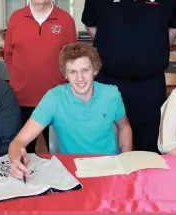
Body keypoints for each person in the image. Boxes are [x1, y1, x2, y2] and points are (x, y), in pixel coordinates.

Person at [81, 0, 176, 153]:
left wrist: (155, 45)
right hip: (110, 83)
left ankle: (145, 187)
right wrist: (113, 45)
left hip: (150, 84)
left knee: (149, 145)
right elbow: (91, 25)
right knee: (111, 142)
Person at [9, 43, 133, 179]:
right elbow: (18, 142)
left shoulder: (111, 94)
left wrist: (125, 161)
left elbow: (124, 127)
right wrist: (16, 161)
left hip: (109, 169)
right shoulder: (54, 98)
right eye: (72, 71)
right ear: (65, 74)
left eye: (85, 70)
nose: (80, 78)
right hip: (71, 172)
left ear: (95, 70)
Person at [5, 0, 77, 153]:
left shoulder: (65, 20)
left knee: (59, 152)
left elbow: (71, 58)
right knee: (23, 152)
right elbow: (8, 54)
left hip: (57, 98)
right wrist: (20, 79)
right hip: (22, 99)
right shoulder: (16, 18)